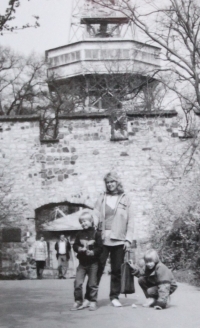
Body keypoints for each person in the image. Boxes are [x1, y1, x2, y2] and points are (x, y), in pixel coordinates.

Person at [95, 171, 134, 307]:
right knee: (98, 268)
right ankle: (91, 297)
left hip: (119, 239)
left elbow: (131, 220)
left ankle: (114, 297)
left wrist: (128, 239)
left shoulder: (125, 198)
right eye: (108, 182)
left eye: (113, 182)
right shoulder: (101, 197)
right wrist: (94, 236)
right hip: (103, 239)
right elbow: (95, 216)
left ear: (117, 183)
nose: (110, 184)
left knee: (116, 270)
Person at [71, 211, 103, 312]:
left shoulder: (96, 233)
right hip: (82, 264)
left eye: (85, 221)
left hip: (93, 263)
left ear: (91, 221)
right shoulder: (79, 234)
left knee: (92, 283)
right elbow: (75, 245)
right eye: (81, 222)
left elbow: (100, 248)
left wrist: (93, 252)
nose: (83, 223)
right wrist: (79, 249)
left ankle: (93, 301)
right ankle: (78, 301)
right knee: (78, 283)